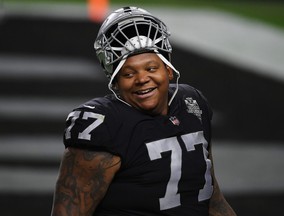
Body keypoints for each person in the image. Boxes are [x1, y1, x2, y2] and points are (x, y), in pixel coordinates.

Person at [50, 6, 237, 216]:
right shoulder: (104, 124)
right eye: (129, 74)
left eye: (151, 68)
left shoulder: (192, 104)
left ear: (168, 70)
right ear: (116, 82)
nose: (141, 79)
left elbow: (213, 198)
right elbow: (69, 212)